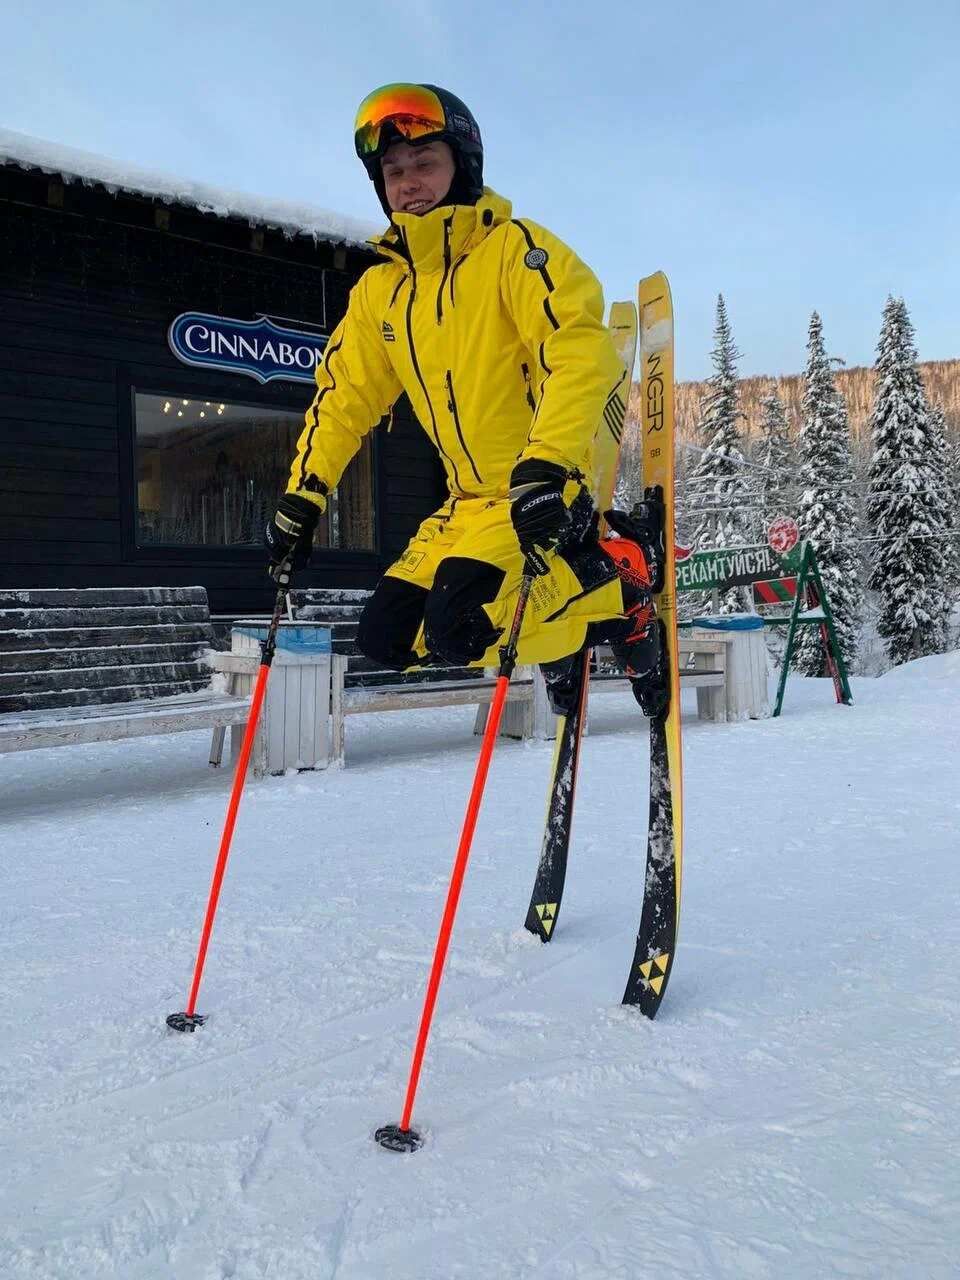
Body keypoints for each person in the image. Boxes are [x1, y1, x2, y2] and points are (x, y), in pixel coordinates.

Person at [265, 83, 667, 716]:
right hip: (466, 505)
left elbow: (581, 351)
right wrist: (305, 494)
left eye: (425, 163)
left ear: (463, 167)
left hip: (541, 481)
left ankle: (624, 588)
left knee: (461, 623)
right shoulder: (381, 292)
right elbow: (345, 396)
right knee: (387, 638)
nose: (409, 183)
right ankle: (565, 636)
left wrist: (548, 462)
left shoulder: (513, 251)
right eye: (393, 172)